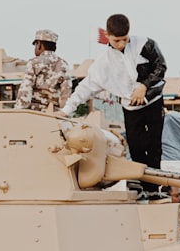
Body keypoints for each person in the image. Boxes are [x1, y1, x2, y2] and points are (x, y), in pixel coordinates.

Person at [61, 14, 166, 192]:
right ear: (108, 36)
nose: (121, 44)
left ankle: (154, 190)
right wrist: (66, 111)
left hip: (154, 101)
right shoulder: (103, 64)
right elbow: (85, 88)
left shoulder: (145, 44)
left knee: (154, 147)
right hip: (131, 108)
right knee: (137, 149)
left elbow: (160, 66)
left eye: (125, 39)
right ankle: (146, 189)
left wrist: (144, 86)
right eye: (117, 40)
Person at [14, 29, 72, 112]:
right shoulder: (64, 64)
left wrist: (19, 111)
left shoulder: (34, 63)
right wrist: (63, 112)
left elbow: (26, 90)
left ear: (39, 45)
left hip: (35, 114)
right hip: (54, 114)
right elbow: (66, 92)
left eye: (35, 45)